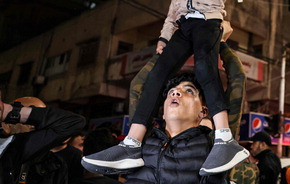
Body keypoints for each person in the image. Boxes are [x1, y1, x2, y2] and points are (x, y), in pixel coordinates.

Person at [83, 0, 249, 176]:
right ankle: (132, 143)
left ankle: (225, 138)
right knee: (156, 75)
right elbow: (172, 12)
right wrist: (163, 37)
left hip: (208, 21)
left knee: (206, 70)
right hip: (183, 26)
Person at [84, 72, 226, 183]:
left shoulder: (215, 144)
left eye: (189, 91)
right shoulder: (141, 138)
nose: (175, 93)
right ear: (163, 113)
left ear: (203, 112)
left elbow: (236, 81)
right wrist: (165, 49)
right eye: (171, 92)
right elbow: (138, 86)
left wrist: (218, 45)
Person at [1, 93, 86, 184]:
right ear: (7, 122)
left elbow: (75, 122)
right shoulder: (5, 149)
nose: (34, 126)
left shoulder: (54, 164)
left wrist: (11, 111)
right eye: (28, 120)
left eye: (40, 121)